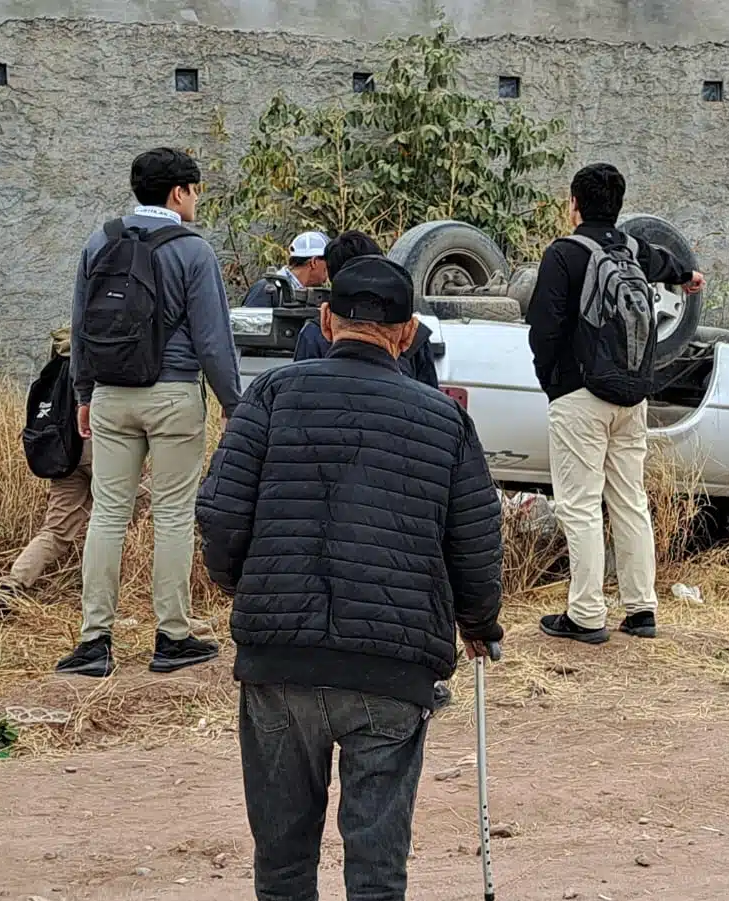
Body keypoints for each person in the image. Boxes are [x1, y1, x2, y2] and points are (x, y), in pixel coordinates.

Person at [196, 254, 504, 901]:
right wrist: (478, 623)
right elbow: (475, 541)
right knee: (376, 870)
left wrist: (242, 587)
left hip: (279, 664)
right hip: (391, 673)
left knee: (282, 865)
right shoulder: (444, 419)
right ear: (408, 332)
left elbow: (221, 514)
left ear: (327, 318)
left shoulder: (272, 395)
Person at [58, 147, 243, 678]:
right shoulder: (192, 251)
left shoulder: (100, 240)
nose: (197, 200)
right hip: (173, 395)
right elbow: (213, 341)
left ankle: (94, 642)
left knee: (109, 513)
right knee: (173, 514)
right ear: (179, 192)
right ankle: (172, 637)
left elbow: (79, 325)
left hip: (112, 394)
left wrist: (84, 393)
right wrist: (233, 403)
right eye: (196, 190)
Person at [526, 163, 705, 644]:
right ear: (619, 206)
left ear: (574, 205)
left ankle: (585, 615)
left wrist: (553, 382)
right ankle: (641, 608)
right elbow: (665, 261)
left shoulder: (564, 254)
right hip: (632, 396)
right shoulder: (631, 249)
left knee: (580, 504)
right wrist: (688, 275)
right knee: (629, 500)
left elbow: (543, 328)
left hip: (579, 395)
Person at [0, 329, 150, 617]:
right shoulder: (104, 362)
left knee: (57, 531)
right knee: (147, 508)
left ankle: (11, 584)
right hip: (103, 452)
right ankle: (116, 594)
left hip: (64, 457)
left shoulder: (54, 373)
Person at [294, 230, 440, 391]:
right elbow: (430, 398)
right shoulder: (416, 334)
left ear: (326, 319)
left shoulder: (314, 334)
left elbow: (299, 395)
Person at [240, 231, 330, 308]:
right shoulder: (267, 289)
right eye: (328, 263)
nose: (330, 269)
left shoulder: (310, 296)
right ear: (314, 262)